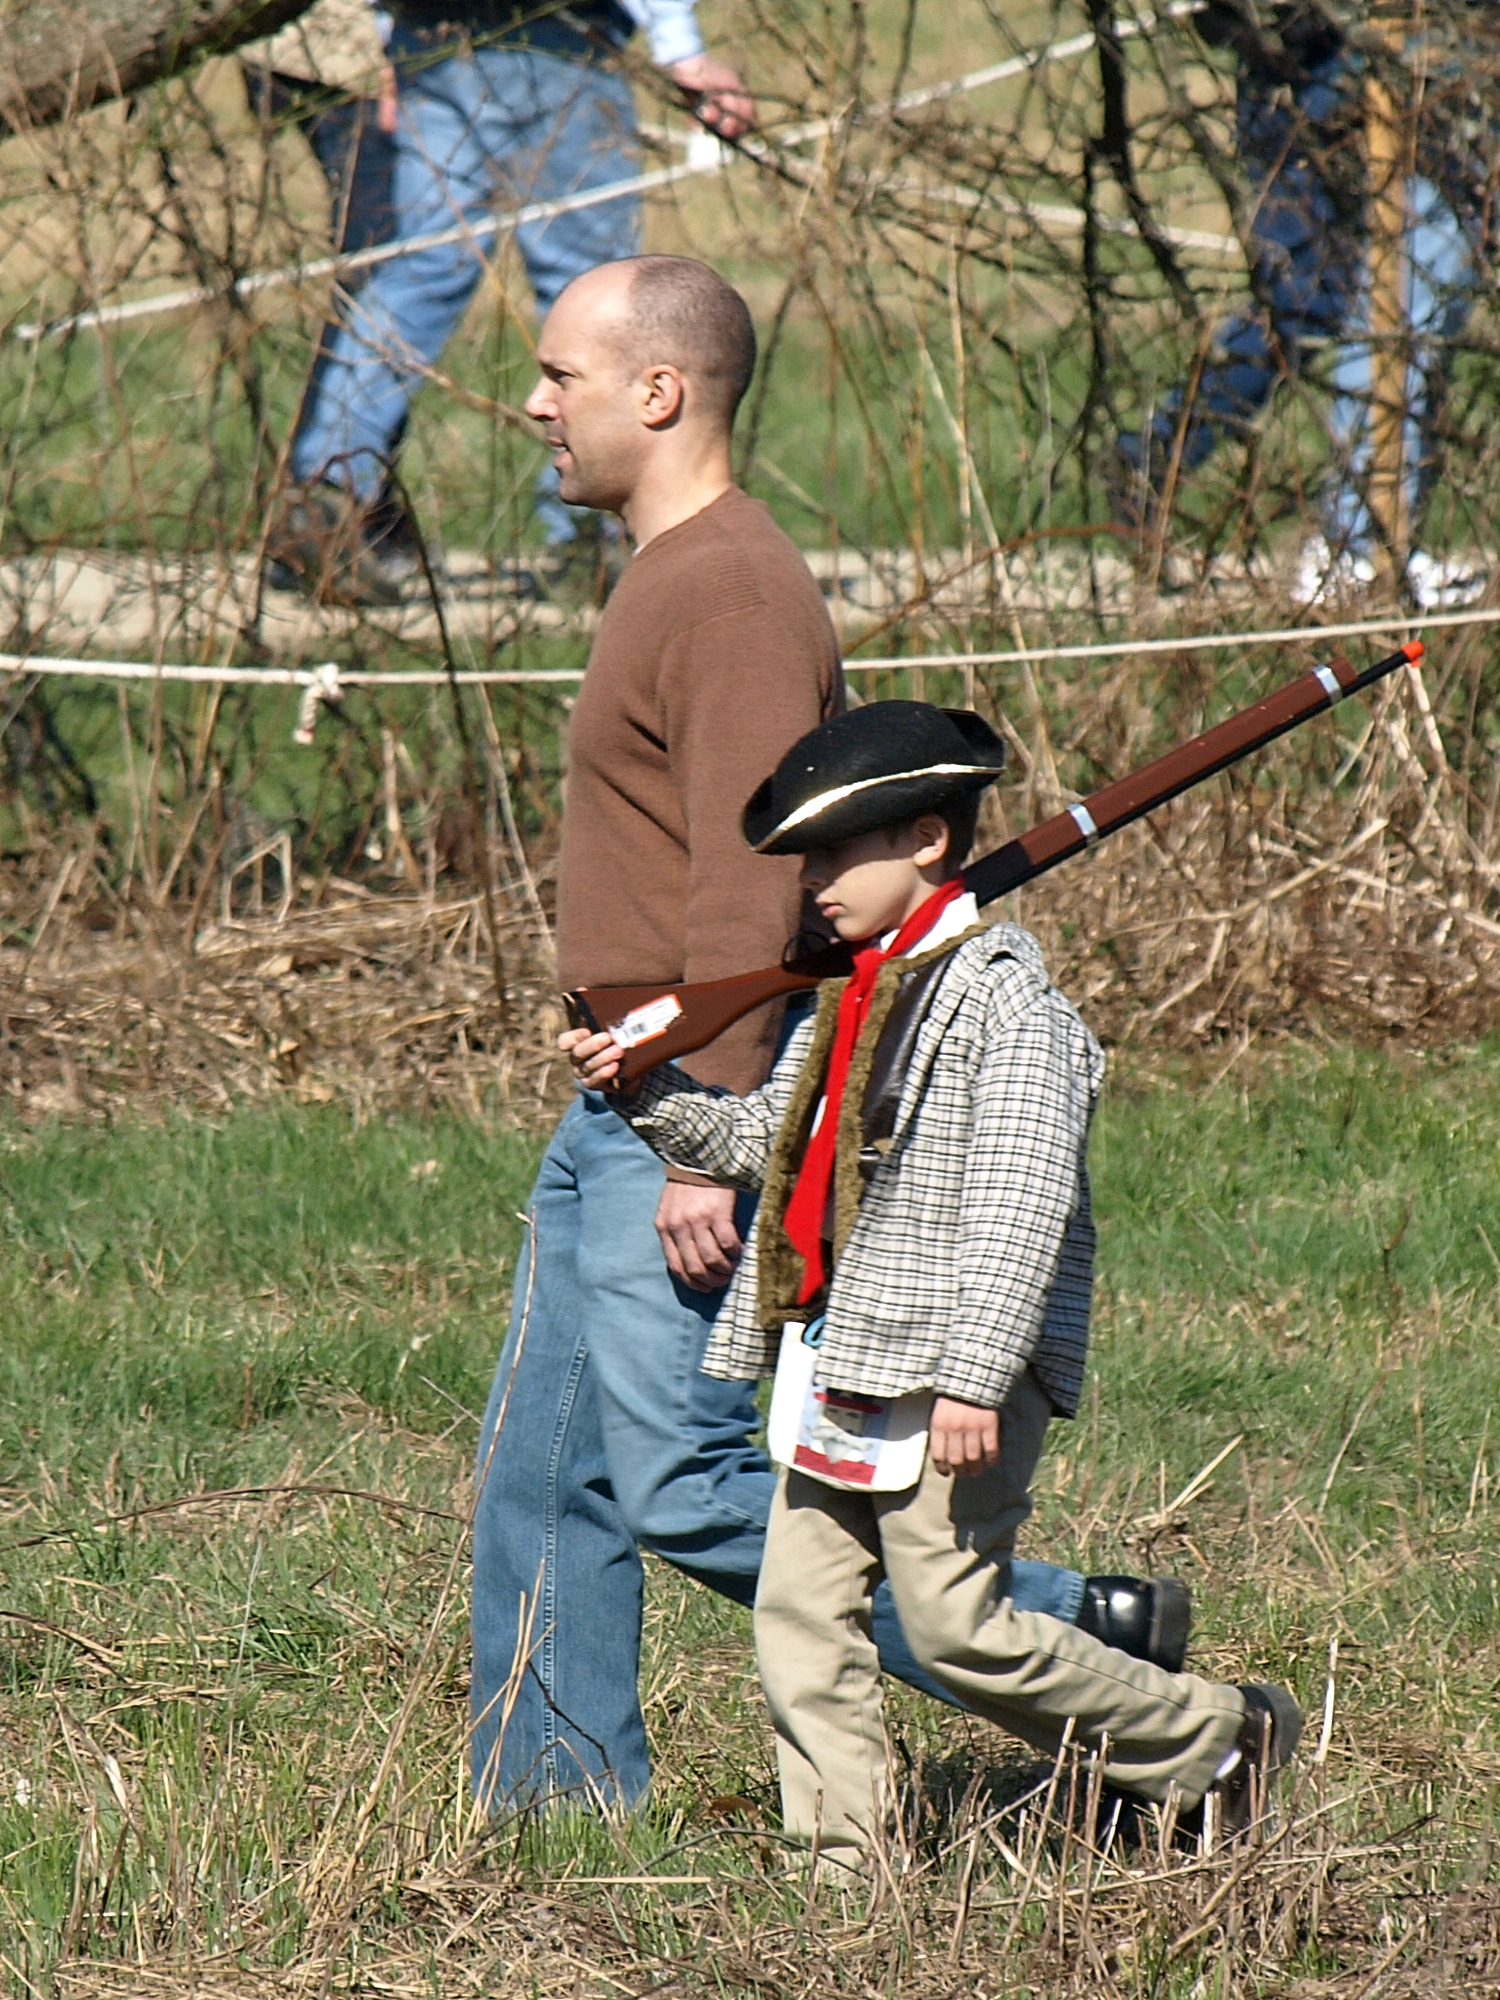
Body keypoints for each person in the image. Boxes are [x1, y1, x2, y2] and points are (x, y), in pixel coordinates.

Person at [468, 254, 1191, 1813]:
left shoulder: (729, 593)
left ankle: (1090, 1646)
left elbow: (758, 880)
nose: (534, 404)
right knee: (542, 1473)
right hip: (630, 1097)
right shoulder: (671, 571)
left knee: (689, 1483)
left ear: (660, 391)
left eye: (560, 375)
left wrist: (709, 1149)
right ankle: (550, 1809)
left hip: (687, 1106)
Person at [564, 699, 1303, 1867]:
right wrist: (641, 1087)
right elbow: (765, 1144)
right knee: (800, 1617)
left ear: (925, 840)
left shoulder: (1012, 1009)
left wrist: (974, 1377)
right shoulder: (855, 994)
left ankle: (1217, 1736)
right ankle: (842, 1868)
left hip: (952, 1374)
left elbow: (1021, 1208)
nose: (811, 882)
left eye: (832, 853)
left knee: (958, 1626)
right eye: (804, 859)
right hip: (844, 1357)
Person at [265, 0, 754, 606]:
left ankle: (325, 499)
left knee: (418, 272)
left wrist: (393, 40)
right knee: (594, 290)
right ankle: (589, 531)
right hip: (557, 40)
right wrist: (683, 51)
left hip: (431, 41)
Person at [1111, 1, 1494, 609]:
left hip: (1404, 62)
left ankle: (1363, 537)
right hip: (1332, 66)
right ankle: (1354, 544)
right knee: (1345, 295)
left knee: (1352, 296)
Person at [241, 1, 422, 590]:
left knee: (380, 273)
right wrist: (394, 49)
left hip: (310, 45)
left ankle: (358, 507)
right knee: (390, 275)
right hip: (348, 55)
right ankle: (330, 513)